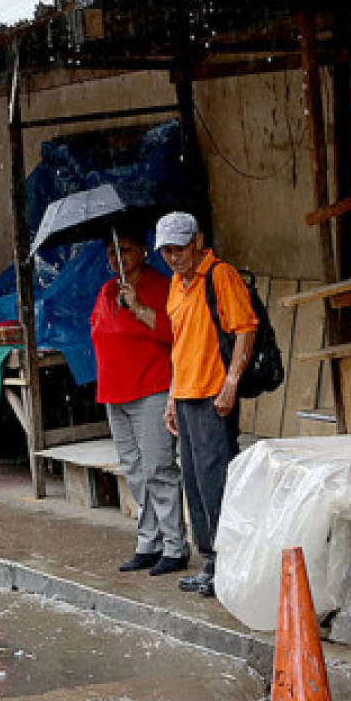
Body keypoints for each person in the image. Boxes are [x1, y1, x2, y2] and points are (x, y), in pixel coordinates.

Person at [156, 212, 257, 599]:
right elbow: (180, 345)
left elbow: (245, 328)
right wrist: (171, 397)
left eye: (179, 248)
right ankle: (211, 561)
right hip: (185, 394)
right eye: (166, 250)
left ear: (197, 240)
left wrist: (231, 382)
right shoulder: (176, 285)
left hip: (213, 396)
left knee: (217, 482)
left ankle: (226, 562)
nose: (173, 257)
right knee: (196, 483)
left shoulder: (220, 275)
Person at [89, 229, 187, 576]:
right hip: (115, 392)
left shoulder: (162, 286)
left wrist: (138, 308)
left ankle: (175, 545)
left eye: (126, 250)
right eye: (113, 252)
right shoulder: (107, 289)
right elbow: (99, 329)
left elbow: (175, 333)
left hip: (151, 388)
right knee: (133, 468)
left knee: (158, 466)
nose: (118, 258)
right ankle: (150, 540)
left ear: (144, 251)